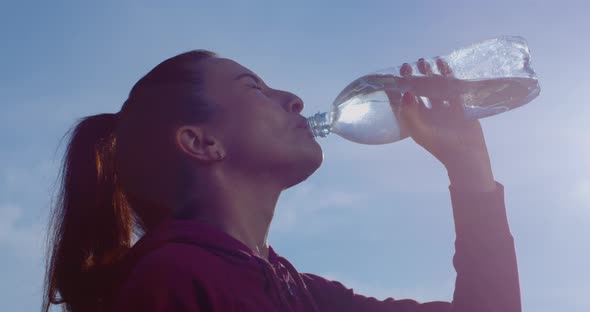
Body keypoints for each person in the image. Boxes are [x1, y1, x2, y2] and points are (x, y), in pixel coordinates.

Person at [43, 50, 521, 312]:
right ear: (202, 143)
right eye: (254, 87)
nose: (293, 99)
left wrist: (469, 169)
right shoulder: (174, 281)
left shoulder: (301, 292)